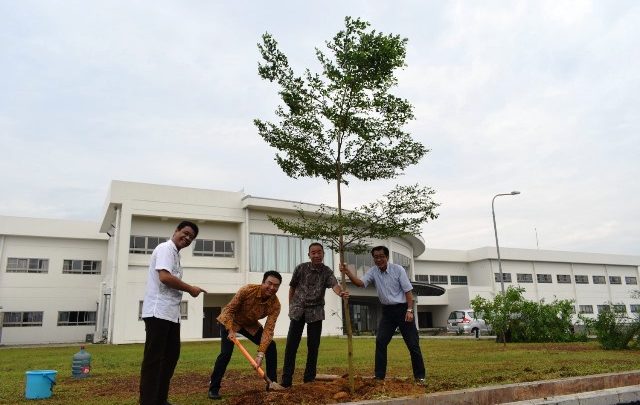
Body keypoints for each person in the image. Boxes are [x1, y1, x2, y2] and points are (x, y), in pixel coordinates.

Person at [139, 220, 207, 405]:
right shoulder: (165, 249)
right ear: (176, 231)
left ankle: (160, 399)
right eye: (184, 233)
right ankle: (148, 401)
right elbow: (165, 277)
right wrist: (190, 288)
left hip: (170, 314)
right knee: (154, 360)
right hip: (157, 312)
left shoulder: (175, 255)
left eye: (191, 238)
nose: (186, 238)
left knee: (170, 358)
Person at [340, 245, 426, 383]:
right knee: (380, 341)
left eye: (381, 256)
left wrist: (410, 310)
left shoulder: (398, 270)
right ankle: (379, 376)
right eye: (376, 257)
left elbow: (408, 292)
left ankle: (420, 376)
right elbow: (360, 284)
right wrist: (347, 272)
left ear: (387, 257)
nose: (379, 259)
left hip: (403, 310)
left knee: (412, 344)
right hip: (387, 312)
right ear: (373, 259)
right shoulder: (373, 271)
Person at [281, 242, 349, 388]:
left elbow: (334, 285)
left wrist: (340, 292)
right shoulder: (300, 268)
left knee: (313, 346)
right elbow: (292, 287)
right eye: (314, 252)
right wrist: (291, 306)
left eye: (319, 252)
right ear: (309, 255)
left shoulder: (327, 271)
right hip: (298, 310)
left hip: (316, 312)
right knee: (291, 346)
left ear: (323, 254)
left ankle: (309, 378)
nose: (317, 255)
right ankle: (286, 380)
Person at [208, 271, 282, 400]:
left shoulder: (275, 305)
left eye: (276, 286)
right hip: (231, 321)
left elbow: (268, 330)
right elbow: (229, 310)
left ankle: (271, 384)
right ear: (263, 282)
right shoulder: (247, 290)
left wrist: (260, 354)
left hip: (249, 325)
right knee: (225, 353)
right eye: (269, 284)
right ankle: (213, 388)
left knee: (271, 346)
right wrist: (230, 330)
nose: (272, 288)